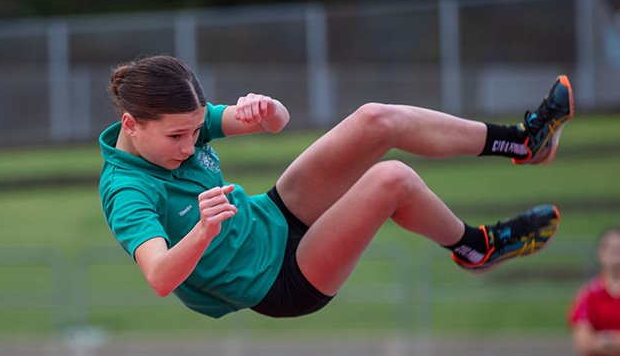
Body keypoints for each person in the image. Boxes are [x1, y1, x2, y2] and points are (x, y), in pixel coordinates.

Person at [99, 54, 573, 319]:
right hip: (278, 282)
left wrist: (267, 110)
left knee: (375, 118)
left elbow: (277, 124)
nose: (189, 143)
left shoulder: (180, 120)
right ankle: (475, 247)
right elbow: (160, 278)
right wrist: (202, 231)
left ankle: (524, 142)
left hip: (273, 218)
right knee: (392, 180)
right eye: (177, 137)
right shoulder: (128, 191)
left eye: (196, 129)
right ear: (131, 125)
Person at [569, 226, 620, 356]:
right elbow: (585, 344)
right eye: (611, 250)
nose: (616, 257)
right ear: (601, 253)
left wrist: (605, 338)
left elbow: (595, 342)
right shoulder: (588, 295)